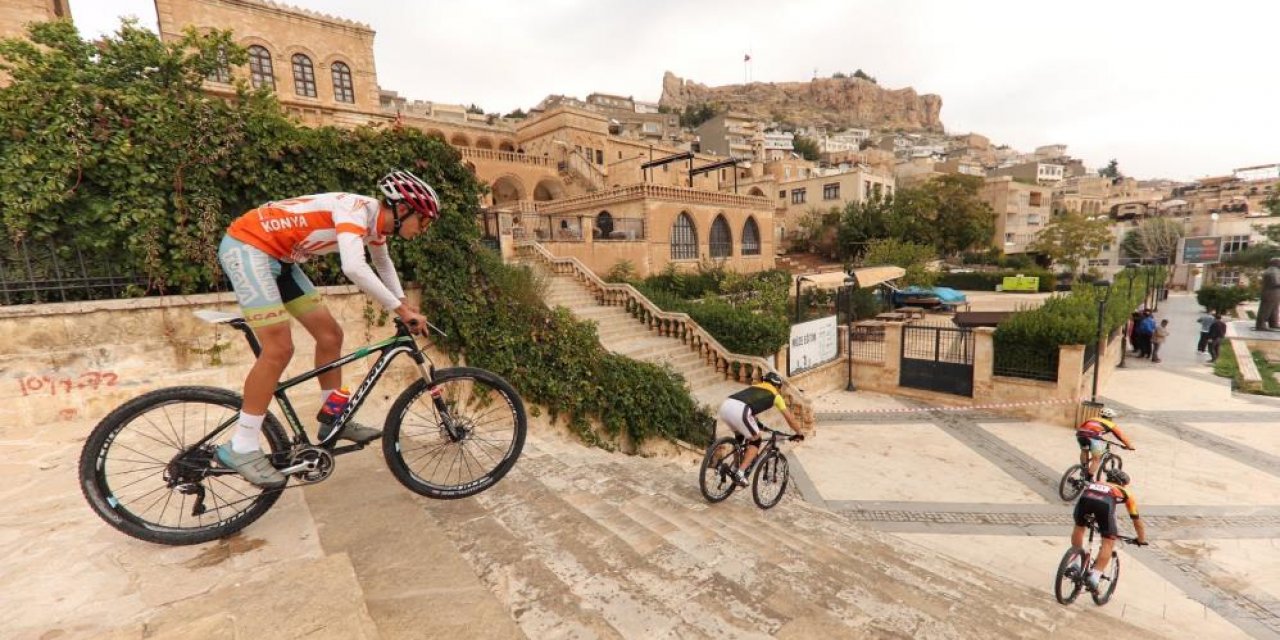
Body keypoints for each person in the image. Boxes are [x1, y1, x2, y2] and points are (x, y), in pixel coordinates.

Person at [215, 170, 439, 487]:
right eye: (424, 221)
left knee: (330, 335)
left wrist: (404, 303)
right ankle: (242, 445)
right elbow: (353, 267)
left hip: (280, 259)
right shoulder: (355, 211)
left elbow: (382, 263)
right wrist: (399, 309)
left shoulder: (377, 228)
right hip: (248, 246)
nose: (424, 229)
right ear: (403, 209)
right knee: (279, 348)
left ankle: (332, 416)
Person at [717, 371, 804, 486]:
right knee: (756, 440)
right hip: (741, 411)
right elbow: (790, 419)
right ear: (777, 386)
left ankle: (735, 467)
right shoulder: (776, 396)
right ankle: (740, 473)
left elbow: (751, 408)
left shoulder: (755, 386)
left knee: (739, 437)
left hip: (726, 406)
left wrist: (759, 424)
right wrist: (799, 433)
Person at [1071, 469, 1148, 592]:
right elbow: (1136, 520)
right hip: (1104, 505)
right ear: (1123, 483)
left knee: (1079, 527)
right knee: (1108, 541)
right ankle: (1095, 578)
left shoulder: (1096, 482)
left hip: (1085, 499)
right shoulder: (1125, 491)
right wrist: (1141, 539)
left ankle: (1075, 563)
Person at [1076, 407, 1134, 480]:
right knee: (1096, 459)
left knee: (1084, 450)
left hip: (1080, 435)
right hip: (1092, 437)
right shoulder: (1110, 424)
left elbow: (1084, 427)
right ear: (1110, 418)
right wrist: (1129, 446)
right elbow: (1121, 436)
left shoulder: (1092, 419)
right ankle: (1088, 478)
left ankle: (1083, 468)